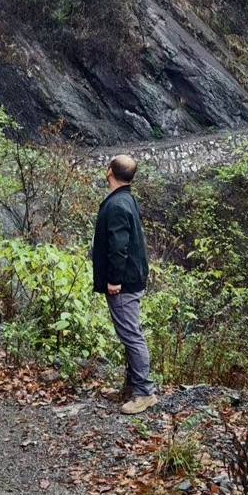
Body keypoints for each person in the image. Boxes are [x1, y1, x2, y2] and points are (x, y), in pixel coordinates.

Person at [93, 155, 157, 415]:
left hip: (124, 282)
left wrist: (114, 280)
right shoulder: (125, 198)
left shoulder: (118, 204)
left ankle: (144, 393)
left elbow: (119, 247)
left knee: (131, 335)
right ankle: (131, 387)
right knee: (130, 333)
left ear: (109, 171)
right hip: (131, 277)